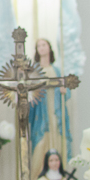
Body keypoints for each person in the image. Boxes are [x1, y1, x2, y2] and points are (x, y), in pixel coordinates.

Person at [29, 38, 72, 167]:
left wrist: (64, 90)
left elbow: (66, 93)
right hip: (41, 116)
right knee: (40, 146)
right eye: (39, 46)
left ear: (49, 48)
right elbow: (30, 93)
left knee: (58, 142)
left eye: (44, 45)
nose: (41, 48)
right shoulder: (34, 72)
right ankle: (39, 179)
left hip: (56, 113)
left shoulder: (57, 71)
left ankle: (59, 176)